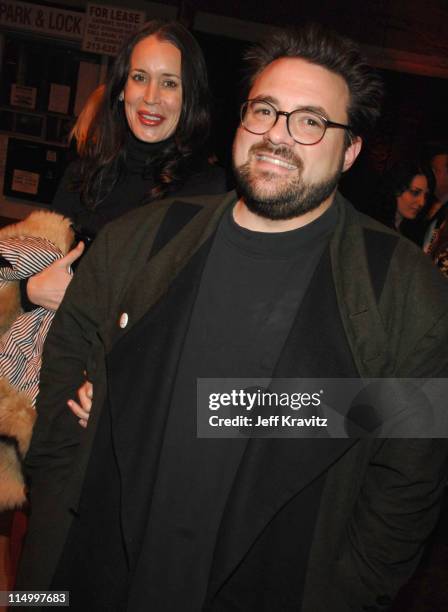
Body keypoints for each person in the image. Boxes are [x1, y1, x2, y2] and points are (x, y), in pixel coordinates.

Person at [17, 24, 448, 612]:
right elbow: (61, 392)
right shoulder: (137, 241)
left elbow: (408, 476)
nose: (278, 135)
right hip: (96, 576)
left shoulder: (403, 291)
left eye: (311, 121)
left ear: (349, 151)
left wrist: (345, 590)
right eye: (265, 111)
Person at [25, 19, 226, 312]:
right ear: (121, 89)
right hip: (57, 350)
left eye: (169, 83)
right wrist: (29, 291)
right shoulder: (81, 175)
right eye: (140, 78)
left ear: (189, 98)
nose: (151, 97)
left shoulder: (206, 189)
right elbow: (34, 265)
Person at [372, 159, 434, 244]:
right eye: (415, 192)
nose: (422, 203)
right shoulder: (373, 225)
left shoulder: (415, 232)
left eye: (426, 196)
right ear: (396, 189)